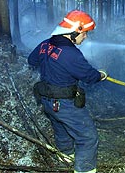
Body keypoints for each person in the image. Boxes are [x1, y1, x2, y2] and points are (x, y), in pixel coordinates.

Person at [28, 10, 107, 173]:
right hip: (65, 103)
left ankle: (65, 159)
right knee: (87, 137)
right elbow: (89, 76)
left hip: (47, 101)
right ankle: (84, 170)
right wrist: (101, 75)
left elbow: (32, 60)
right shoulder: (71, 53)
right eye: (85, 33)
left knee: (61, 127)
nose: (85, 37)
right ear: (75, 31)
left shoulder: (45, 44)